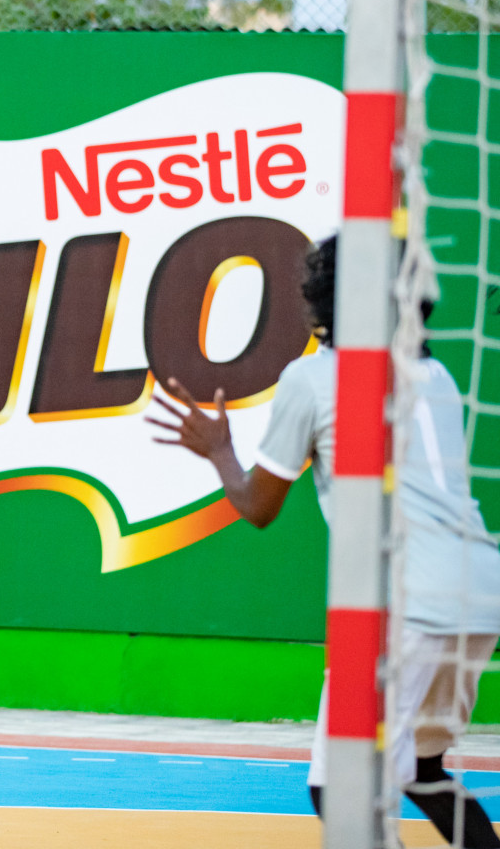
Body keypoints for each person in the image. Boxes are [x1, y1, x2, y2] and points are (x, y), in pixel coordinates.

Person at [148, 235, 500, 847]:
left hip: (407, 599)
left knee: (337, 788)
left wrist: (220, 452)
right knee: (422, 772)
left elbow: (259, 507)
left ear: (326, 302)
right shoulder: (435, 373)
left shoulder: (311, 378)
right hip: (479, 592)